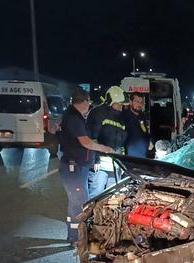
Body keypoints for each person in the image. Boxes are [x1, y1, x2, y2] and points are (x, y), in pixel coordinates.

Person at [57, 87, 114, 245]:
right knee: (78, 203)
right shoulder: (74, 118)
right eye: (88, 103)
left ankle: (74, 235)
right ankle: (76, 238)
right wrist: (105, 149)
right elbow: (86, 143)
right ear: (83, 102)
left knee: (77, 201)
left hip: (77, 167)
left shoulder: (74, 116)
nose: (89, 106)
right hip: (73, 167)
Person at [87, 86, 128, 192]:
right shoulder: (97, 113)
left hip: (115, 165)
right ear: (110, 101)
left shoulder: (122, 117)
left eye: (122, 105)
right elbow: (92, 138)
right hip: (100, 166)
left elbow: (123, 142)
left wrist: (122, 163)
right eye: (119, 104)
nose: (121, 107)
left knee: (113, 195)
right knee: (96, 193)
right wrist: (96, 160)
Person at [123, 93, 151, 159]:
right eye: (137, 102)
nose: (139, 104)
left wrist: (149, 140)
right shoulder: (124, 115)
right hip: (130, 155)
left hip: (143, 155)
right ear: (131, 102)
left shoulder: (142, 115)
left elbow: (144, 131)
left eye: (141, 102)